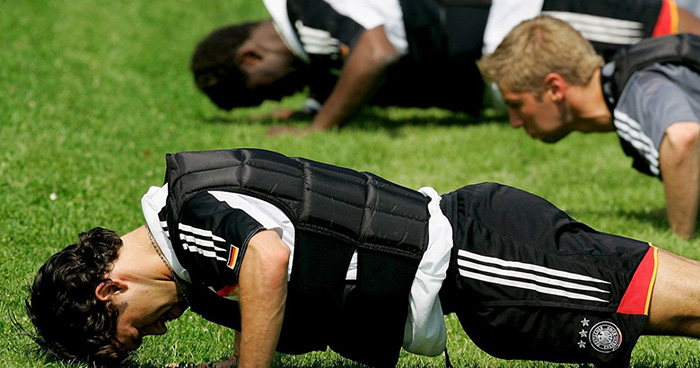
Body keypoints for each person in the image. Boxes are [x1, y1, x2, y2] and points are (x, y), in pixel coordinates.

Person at [25, 148, 700, 367]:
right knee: (673, 322)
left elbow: (265, 259)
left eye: (135, 328)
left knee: (687, 305)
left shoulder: (189, 218)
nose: (159, 331)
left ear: (107, 289)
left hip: (484, 255)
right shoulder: (192, 254)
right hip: (477, 295)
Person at [190, 0, 700, 135]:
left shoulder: (309, 6)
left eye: (264, 92)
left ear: (252, 57)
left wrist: (321, 127)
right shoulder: (313, 41)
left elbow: (374, 50)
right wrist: (311, 108)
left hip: (529, 14)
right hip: (504, 55)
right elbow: (344, 69)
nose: (275, 97)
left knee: (669, 35)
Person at [477, 15, 700, 239]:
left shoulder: (639, 86)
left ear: (555, 88)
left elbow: (683, 139)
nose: (515, 122)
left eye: (516, 105)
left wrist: (679, 235)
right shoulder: (629, 79)